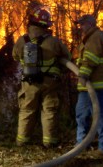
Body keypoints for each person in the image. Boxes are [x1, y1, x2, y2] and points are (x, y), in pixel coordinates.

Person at [12, 8, 71, 148]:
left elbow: (15, 56)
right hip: (49, 82)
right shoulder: (54, 42)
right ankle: (49, 142)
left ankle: (22, 141)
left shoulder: (22, 40)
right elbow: (67, 58)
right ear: (46, 26)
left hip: (29, 82)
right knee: (49, 110)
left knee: (27, 110)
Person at [73, 13, 103, 155]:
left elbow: (91, 59)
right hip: (87, 86)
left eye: (83, 24)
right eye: (80, 24)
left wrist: (83, 75)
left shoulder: (95, 37)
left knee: (100, 117)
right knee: (81, 115)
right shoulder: (88, 38)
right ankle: (81, 144)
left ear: (90, 24)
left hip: (96, 85)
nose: (80, 27)